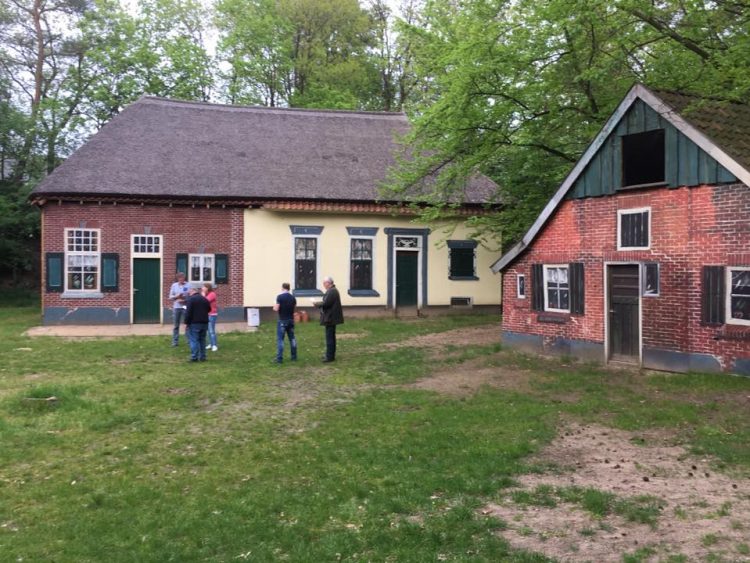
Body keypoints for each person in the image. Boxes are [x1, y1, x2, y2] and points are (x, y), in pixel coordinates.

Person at [318, 276, 343, 362]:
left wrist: (317, 304)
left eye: (324, 283)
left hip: (330, 318)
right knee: (331, 337)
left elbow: (326, 303)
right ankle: (329, 355)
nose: (324, 285)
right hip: (331, 317)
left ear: (329, 283)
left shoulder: (332, 291)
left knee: (330, 338)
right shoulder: (332, 290)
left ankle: (329, 357)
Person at [273, 282, 297, 364]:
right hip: (291, 320)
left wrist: (274, 307)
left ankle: (279, 359)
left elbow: (276, 308)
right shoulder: (293, 298)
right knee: (292, 339)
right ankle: (294, 357)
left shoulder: (279, 297)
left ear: (283, 288)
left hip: (282, 320)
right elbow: (294, 309)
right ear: (289, 288)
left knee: (280, 340)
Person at [184, 286, 210, 362]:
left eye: (189, 291)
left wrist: (186, 323)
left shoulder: (191, 299)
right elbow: (209, 309)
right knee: (202, 340)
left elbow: (188, 313)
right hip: (204, 323)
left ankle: (194, 357)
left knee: (194, 340)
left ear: (192, 291)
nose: (188, 293)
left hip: (194, 323)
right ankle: (203, 357)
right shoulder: (204, 299)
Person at [168, 272, 190, 346]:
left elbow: (191, 296)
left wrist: (185, 300)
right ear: (178, 279)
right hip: (176, 307)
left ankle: (189, 341)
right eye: (180, 279)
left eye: (183, 278)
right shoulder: (174, 285)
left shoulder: (188, 285)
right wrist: (176, 296)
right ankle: (175, 342)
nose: (182, 280)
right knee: (176, 325)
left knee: (187, 324)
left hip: (185, 307)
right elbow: (170, 296)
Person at [203, 282, 218, 352]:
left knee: (211, 330)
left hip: (212, 314)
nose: (202, 288)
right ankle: (210, 343)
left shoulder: (212, 294)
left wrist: (203, 295)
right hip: (206, 314)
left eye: (204, 287)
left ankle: (214, 345)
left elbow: (205, 301)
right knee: (207, 331)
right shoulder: (206, 294)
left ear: (207, 288)